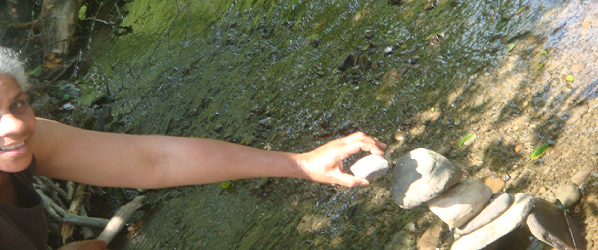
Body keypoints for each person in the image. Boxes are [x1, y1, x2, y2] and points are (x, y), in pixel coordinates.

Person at [0, 46, 386, 250]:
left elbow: (154, 160)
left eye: (16, 103)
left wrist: (301, 164)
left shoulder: (24, 142)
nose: (15, 124)